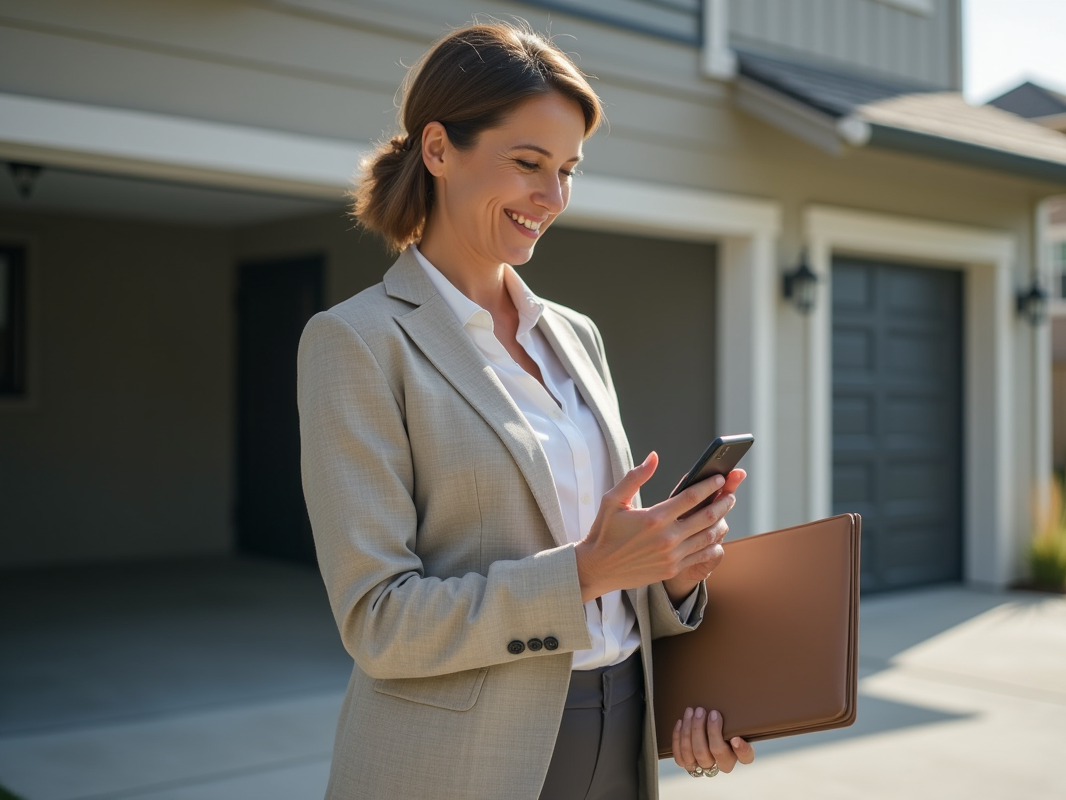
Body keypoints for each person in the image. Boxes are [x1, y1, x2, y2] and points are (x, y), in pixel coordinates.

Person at [297, 20, 754, 800]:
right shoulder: (358, 341)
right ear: (438, 150)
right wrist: (586, 571)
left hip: (623, 731)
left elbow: (613, 582)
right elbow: (378, 620)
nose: (553, 197)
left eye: (568, 170)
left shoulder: (575, 335)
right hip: (461, 764)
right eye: (528, 163)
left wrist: (671, 572)